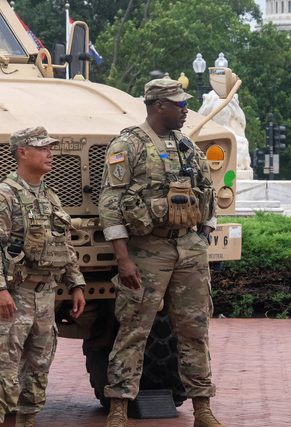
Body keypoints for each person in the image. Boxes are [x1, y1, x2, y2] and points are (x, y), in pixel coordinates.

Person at [99, 77, 225, 427]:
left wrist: (204, 233)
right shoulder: (128, 144)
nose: (186, 110)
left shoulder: (187, 145)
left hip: (189, 248)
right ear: (158, 105)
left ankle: (203, 409)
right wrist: (123, 258)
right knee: (134, 329)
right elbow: (110, 203)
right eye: (180, 104)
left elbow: (208, 190)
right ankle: (119, 408)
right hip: (148, 249)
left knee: (195, 330)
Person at [0, 126, 87, 427]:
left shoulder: (49, 196)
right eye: (42, 148)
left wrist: (75, 284)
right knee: (2, 369)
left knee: (38, 368)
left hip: (45, 296)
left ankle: (26, 422)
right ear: (22, 152)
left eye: (50, 148)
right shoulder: (2, 195)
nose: (50, 154)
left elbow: (64, 243)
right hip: (15, 294)